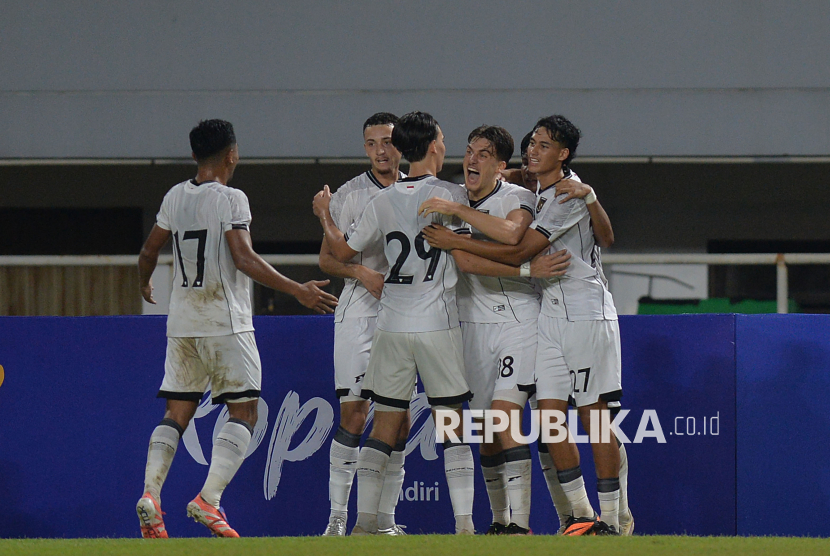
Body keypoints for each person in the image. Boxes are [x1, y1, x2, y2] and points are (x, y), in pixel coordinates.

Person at [421, 114, 627, 535]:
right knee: (551, 424)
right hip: (549, 313)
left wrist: (456, 236)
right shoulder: (542, 188)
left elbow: (520, 251)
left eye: (543, 145)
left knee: (595, 418)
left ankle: (613, 515)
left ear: (563, 154)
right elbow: (515, 185)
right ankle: (583, 518)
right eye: (531, 143)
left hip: (586, 314)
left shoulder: (568, 195)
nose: (532, 150)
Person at [136, 119, 338, 539]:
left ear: (194, 155)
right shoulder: (232, 198)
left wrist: (143, 279)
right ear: (232, 154)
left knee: (176, 412)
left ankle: (151, 495)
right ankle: (208, 500)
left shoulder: (175, 196)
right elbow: (243, 258)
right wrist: (297, 289)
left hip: (182, 324)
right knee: (244, 410)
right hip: (225, 323)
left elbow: (150, 249)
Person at [319, 112, 410, 536]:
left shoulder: (417, 190)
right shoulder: (349, 194)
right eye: (372, 143)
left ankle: (383, 522)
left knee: (398, 419)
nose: (380, 150)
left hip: (404, 316)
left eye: (387, 141)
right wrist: (362, 274)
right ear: (365, 147)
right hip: (358, 312)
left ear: (400, 144)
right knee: (354, 414)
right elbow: (326, 258)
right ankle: (338, 518)